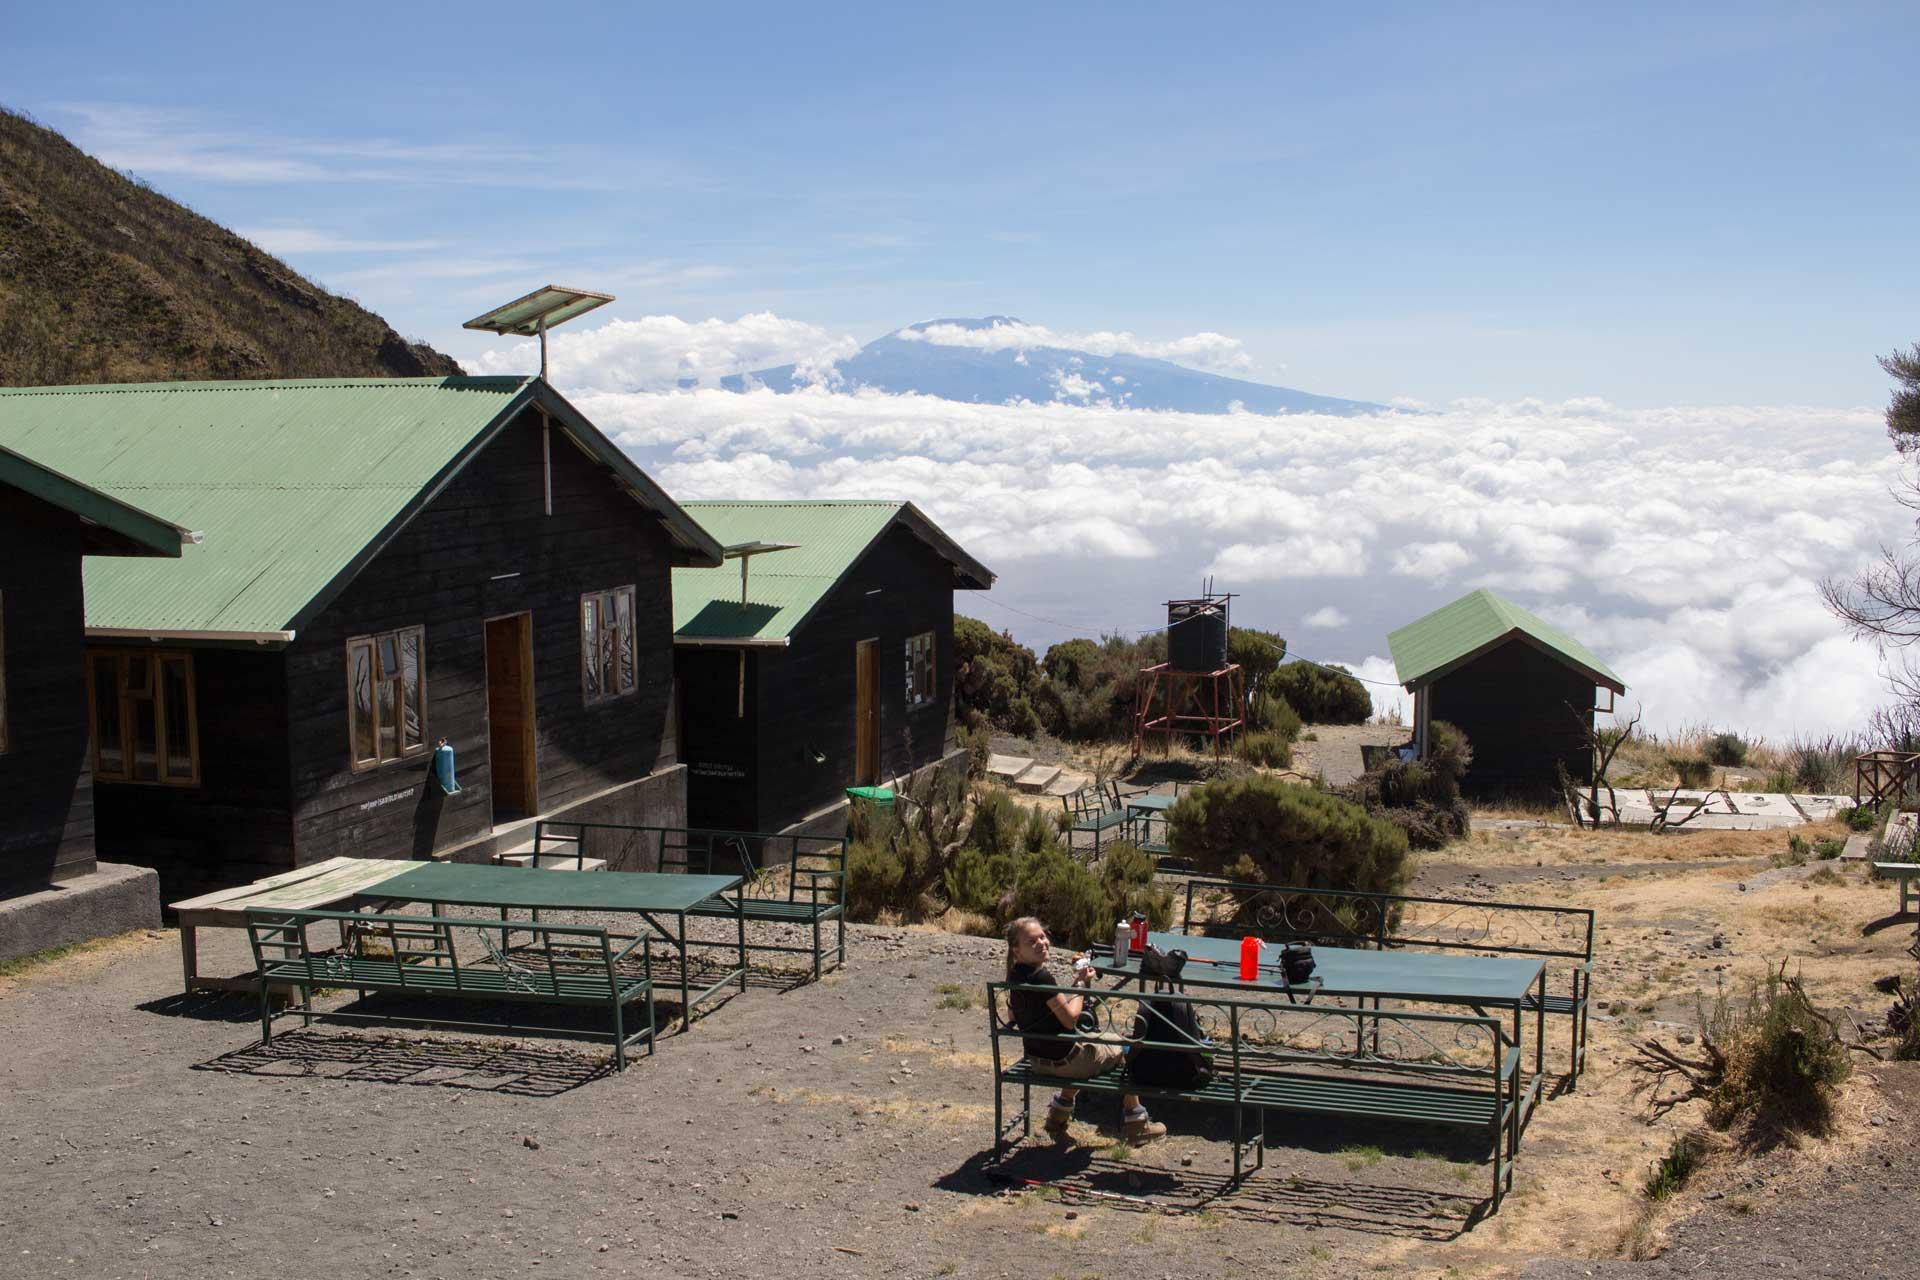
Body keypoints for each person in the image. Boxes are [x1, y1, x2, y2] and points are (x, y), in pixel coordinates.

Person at [1003, 915, 1166, 1141]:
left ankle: (1058, 1114)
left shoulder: (1015, 976)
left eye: (1042, 937)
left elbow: (1018, 1014)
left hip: (1037, 1060)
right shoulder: (1041, 977)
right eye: (1032, 941)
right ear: (1017, 950)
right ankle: (1137, 1123)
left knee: (1094, 1043)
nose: (1041, 943)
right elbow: (1070, 1019)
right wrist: (1081, 985)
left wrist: (1077, 985)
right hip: (1068, 1063)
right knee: (1128, 1048)